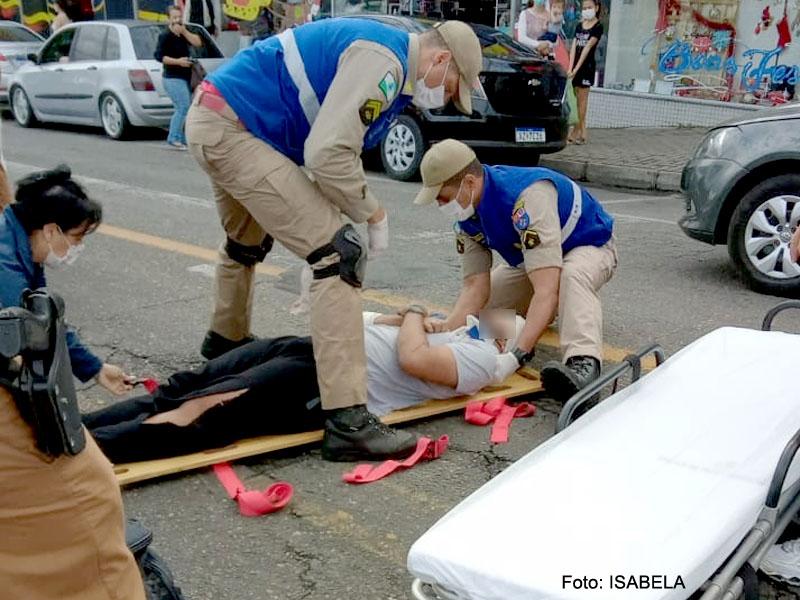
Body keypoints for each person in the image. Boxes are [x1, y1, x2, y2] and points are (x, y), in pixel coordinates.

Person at [185, 17, 482, 461]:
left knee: (247, 242)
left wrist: (337, 218)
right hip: (236, 131)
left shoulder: (382, 51)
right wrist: (371, 215)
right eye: (453, 85)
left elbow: (326, 164)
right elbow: (326, 154)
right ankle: (348, 420)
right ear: (441, 59)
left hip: (219, 117)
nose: (446, 99)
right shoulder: (387, 63)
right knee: (339, 254)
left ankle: (225, 345)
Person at [84, 310, 525, 464]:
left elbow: (413, 358)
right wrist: (403, 319)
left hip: (325, 382)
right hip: (311, 348)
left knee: (201, 410)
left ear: (503, 336)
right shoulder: (458, 332)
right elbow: (364, 318)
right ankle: (68, 427)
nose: (497, 310)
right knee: (185, 385)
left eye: (507, 315)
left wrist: (411, 315)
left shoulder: (484, 358)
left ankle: (83, 452)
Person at [414, 139, 617, 403]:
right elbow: (475, 286)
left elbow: (546, 290)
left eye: (443, 198)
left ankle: (584, 368)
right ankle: (532, 325)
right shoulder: (467, 217)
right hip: (537, 260)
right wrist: (449, 330)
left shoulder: (526, 198)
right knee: (483, 316)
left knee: (570, 276)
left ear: (470, 183)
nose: (441, 205)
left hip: (588, 245)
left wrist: (517, 355)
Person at [0, 166, 135, 395]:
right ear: (51, 231)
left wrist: (96, 369)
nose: (78, 248)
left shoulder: (21, 248)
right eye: (77, 237)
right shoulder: (5, 263)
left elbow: (45, 318)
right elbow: (37, 326)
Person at [155, 6, 203, 151]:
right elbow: (159, 56)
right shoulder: (165, 36)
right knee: (183, 106)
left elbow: (198, 42)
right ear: (168, 19)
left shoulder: (183, 33)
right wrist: (178, 62)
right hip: (172, 77)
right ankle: (173, 137)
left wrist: (184, 31)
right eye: (174, 17)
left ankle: (182, 137)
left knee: (185, 108)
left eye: (179, 17)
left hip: (186, 77)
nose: (177, 20)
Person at [567, 0, 603, 144]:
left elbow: (587, 48)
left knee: (582, 101)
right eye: (584, 8)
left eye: (589, 7)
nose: (586, 10)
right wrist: (570, 67)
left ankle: (578, 132)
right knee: (574, 101)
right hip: (575, 68)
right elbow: (574, 47)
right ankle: (581, 130)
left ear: (596, 7)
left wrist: (576, 69)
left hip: (586, 67)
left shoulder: (598, 27)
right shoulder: (579, 26)